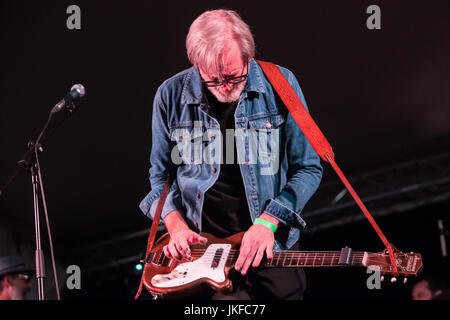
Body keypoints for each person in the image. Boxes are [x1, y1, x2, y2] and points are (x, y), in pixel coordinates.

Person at [139, 9, 323, 300]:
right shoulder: (169, 95)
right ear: (196, 64)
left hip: (270, 244)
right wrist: (175, 225)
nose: (225, 86)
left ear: (248, 56)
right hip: (203, 255)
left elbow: (309, 168)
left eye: (234, 76)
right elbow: (160, 175)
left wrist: (268, 221)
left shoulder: (282, 83)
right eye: (213, 79)